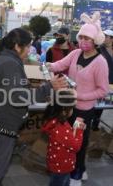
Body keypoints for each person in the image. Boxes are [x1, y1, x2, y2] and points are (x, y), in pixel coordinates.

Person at [0, 28, 68, 186]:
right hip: (1, 125)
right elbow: (19, 97)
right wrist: (48, 87)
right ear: (16, 46)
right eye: (27, 46)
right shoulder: (9, 63)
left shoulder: (6, 59)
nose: (30, 50)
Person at [48, 12, 109, 186]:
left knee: (79, 143)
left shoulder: (100, 62)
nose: (82, 41)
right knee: (68, 141)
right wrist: (48, 65)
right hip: (69, 106)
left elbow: (103, 90)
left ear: (95, 40)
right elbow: (61, 64)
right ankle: (78, 170)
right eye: (81, 37)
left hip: (84, 110)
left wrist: (79, 95)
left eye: (87, 38)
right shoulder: (75, 54)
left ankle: (76, 175)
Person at [42, 90, 85, 186]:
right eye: (72, 108)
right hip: (62, 166)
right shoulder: (61, 128)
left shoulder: (54, 121)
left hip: (56, 162)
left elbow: (66, 140)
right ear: (64, 110)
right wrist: (79, 129)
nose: (73, 110)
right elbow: (76, 146)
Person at [92, 29, 113, 131]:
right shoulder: (99, 49)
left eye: (106, 36)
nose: (104, 38)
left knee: (109, 103)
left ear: (111, 38)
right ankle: (95, 123)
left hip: (112, 82)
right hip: (101, 80)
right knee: (99, 103)